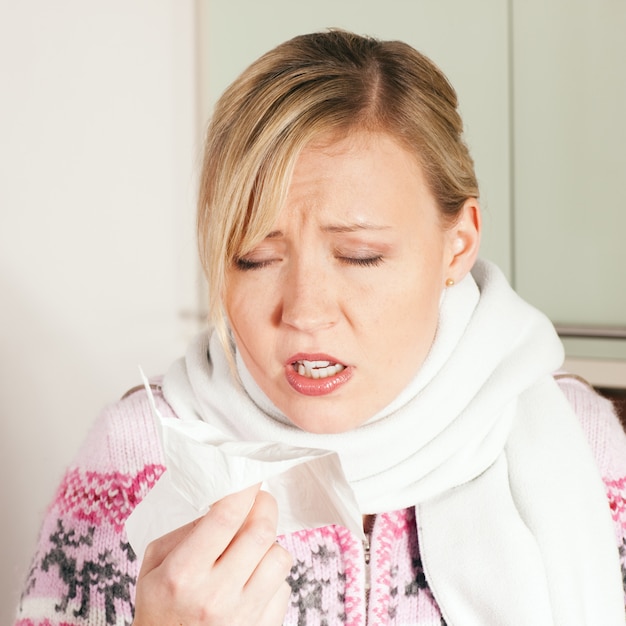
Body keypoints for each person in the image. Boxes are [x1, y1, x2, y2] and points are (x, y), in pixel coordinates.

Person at [14, 29, 626, 626]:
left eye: (360, 255)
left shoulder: (586, 450)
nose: (304, 311)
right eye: (254, 257)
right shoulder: (137, 457)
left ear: (459, 243)